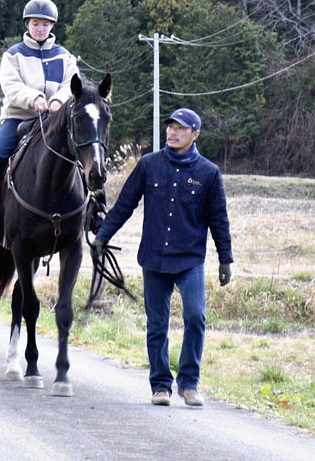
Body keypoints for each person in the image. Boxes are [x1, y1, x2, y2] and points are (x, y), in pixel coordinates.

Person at [92, 108, 233, 408]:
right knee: (157, 323)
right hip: (154, 258)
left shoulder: (208, 173)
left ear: (195, 134)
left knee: (195, 316)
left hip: (190, 259)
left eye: (181, 128)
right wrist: (103, 235)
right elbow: (124, 205)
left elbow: (219, 220)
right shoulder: (148, 165)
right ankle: (160, 385)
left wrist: (226, 259)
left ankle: (189, 383)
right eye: (170, 126)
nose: (172, 132)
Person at [0, 0, 80, 236]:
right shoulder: (13, 55)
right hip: (18, 119)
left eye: (45, 24)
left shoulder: (66, 57)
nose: (40, 29)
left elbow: (71, 83)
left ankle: (95, 210)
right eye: (36, 23)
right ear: (27, 24)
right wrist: (34, 98)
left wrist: (58, 100)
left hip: (55, 119)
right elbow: (11, 86)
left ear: (52, 26)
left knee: (85, 153)